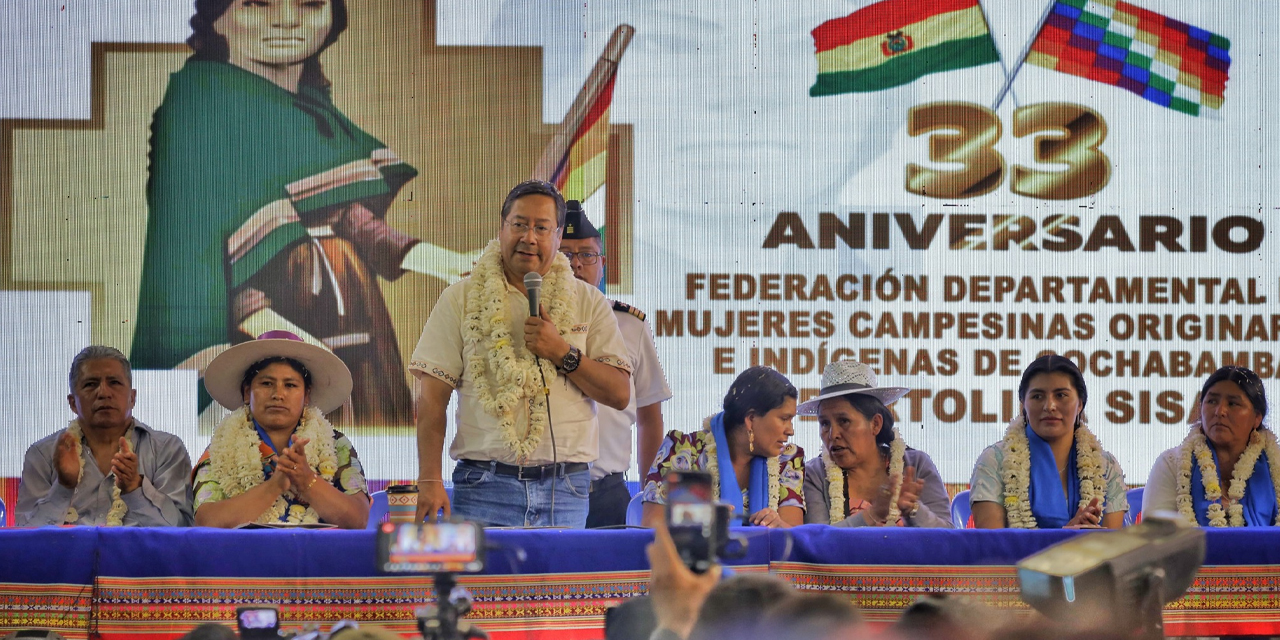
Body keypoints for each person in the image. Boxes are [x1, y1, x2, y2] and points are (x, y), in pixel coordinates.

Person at [131, 0, 476, 426]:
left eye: (310, 3)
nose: (287, 20)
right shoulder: (199, 107)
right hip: (268, 334)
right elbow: (205, 255)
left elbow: (358, 225)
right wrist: (284, 338)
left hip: (354, 307)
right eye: (258, 2)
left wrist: (451, 264)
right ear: (217, 16)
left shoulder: (318, 117)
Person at [409, 180, 632, 527]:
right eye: (519, 225)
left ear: (557, 238)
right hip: (484, 487)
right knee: (480, 585)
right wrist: (429, 479)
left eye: (541, 228)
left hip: (566, 488)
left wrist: (562, 352)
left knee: (562, 584)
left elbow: (619, 394)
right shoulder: (461, 298)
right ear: (501, 229)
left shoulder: (588, 301)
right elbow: (432, 398)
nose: (529, 237)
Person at [559, 203, 672, 527]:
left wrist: (649, 491)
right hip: (548, 489)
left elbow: (649, 416)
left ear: (602, 264)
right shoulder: (538, 324)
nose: (576, 264)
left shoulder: (630, 325)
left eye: (587, 255)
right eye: (565, 255)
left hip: (607, 491)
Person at [192, 331, 370, 528]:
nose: (278, 394)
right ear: (246, 392)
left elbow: (359, 520)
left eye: (290, 385)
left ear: (306, 395)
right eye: (267, 383)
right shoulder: (222, 446)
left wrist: (307, 480)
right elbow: (206, 522)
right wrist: (274, 486)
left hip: (318, 557)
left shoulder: (336, 444)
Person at [17, 346, 194, 527]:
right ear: (72, 403)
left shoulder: (166, 449)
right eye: (90, 384)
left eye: (114, 382)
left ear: (132, 398)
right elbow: (25, 537)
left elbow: (181, 532)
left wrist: (135, 488)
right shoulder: (43, 454)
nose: (103, 393)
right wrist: (63, 487)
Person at [969, 355, 1128, 529]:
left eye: (1061, 395)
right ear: (1023, 405)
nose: (1049, 406)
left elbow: (1114, 548)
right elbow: (991, 546)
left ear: (1080, 404)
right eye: (1037, 397)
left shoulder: (1106, 466)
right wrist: (1064, 538)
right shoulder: (995, 460)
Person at [641, 366, 805, 528]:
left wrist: (778, 526)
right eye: (784, 419)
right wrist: (699, 521)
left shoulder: (787, 461)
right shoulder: (684, 452)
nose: (790, 430)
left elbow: (795, 541)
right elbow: (650, 529)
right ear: (751, 419)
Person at [800, 360, 951, 528]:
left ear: (875, 424)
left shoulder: (915, 465)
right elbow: (817, 543)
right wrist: (872, 514)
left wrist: (914, 510)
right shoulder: (815, 474)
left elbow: (949, 539)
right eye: (824, 423)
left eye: (844, 421)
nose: (833, 434)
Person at [1144, 366, 1280, 527]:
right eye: (1212, 401)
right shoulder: (1173, 464)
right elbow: (1156, 538)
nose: (1220, 411)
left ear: (1257, 417)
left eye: (1233, 403)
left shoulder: (1276, 466)